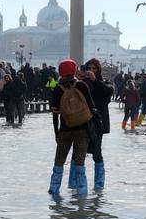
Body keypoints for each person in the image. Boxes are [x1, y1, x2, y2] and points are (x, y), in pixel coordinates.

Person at [48, 59, 95, 196]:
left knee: (59, 162)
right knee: (80, 163)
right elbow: (92, 107)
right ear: (74, 70)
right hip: (83, 129)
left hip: (65, 130)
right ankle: (81, 195)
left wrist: (56, 132)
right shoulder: (81, 85)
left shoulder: (57, 88)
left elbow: (55, 114)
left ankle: (54, 192)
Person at [81, 58, 114, 191]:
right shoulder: (81, 84)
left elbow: (107, 93)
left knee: (96, 152)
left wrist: (95, 80)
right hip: (82, 122)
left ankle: (99, 186)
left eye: (94, 69)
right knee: (79, 153)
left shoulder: (105, 83)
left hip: (97, 123)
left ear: (98, 70)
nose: (91, 71)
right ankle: (78, 186)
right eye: (89, 68)